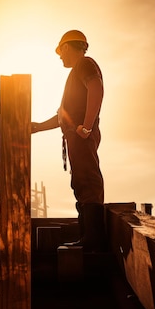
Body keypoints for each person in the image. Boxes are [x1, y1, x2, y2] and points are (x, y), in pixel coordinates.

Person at [31, 30, 105, 251]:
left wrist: (87, 126)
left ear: (67, 47)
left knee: (87, 182)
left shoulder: (84, 64)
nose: (59, 56)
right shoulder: (75, 74)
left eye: (60, 51)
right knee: (81, 182)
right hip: (76, 135)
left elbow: (96, 88)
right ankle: (88, 237)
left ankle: (93, 240)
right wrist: (37, 127)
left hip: (81, 135)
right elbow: (64, 117)